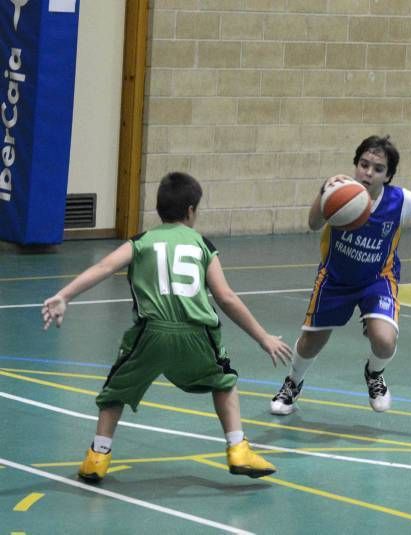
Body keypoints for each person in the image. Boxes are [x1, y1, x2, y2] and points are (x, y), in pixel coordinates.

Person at [41, 172, 293, 482]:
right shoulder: (202, 244)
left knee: (114, 392)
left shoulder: (142, 241)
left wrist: (64, 295)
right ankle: (238, 448)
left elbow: (104, 267)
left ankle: (98, 457)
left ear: (159, 209)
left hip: (151, 333)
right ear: (191, 211)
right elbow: (225, 297)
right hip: (198, 334)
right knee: (223, 381)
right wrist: (262, 336)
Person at [270, 135, 411, 415]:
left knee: (384, 339)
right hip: (335, 278)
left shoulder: (399, 200)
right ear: (355, 165)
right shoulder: (338, 193)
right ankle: (293, 383)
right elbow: (312, 224)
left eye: (377, 168)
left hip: (377, 279)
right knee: (311, 342)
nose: (368, 172)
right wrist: (323, 193)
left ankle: (374, 374)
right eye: (364, 164)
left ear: (388, 175)